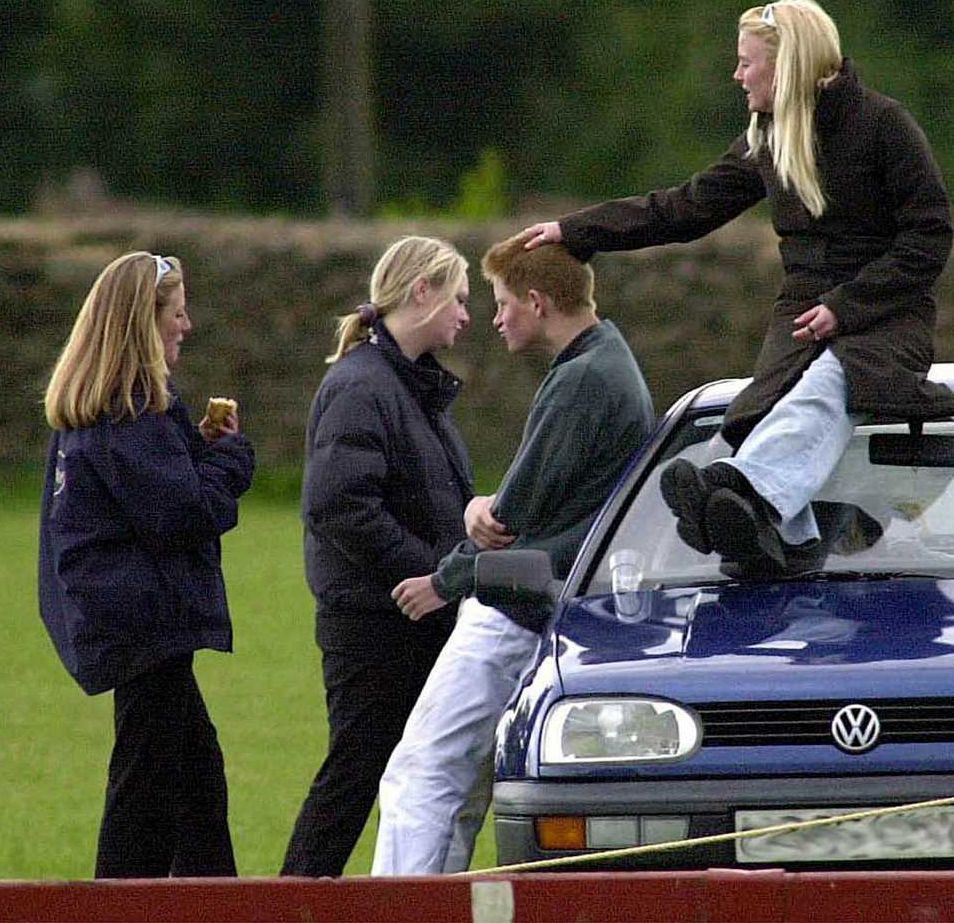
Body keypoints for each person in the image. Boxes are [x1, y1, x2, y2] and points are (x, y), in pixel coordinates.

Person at [522, 0, 954, 571]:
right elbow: (684, 207)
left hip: (886, 318)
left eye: (747, 62)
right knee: (753, 417)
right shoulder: (766, 137)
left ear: (786, 66)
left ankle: (745, 494)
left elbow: (929, 238)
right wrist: (578, 232)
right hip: (802, 319)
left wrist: (846, 308)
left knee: (829, 385)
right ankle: (788, 534)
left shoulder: (884, 126)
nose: (737, 75)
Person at [371, 233, 655, 875]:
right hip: (547, 603)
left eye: (501, 303)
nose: (494, 318)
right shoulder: (607, 361)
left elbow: (509, 517)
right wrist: (482, 512)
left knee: (422, 777)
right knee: (463, 787)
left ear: (536, 301)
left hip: (510, 612)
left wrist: (445, 578)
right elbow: (549, 495)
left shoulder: (582, 380)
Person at [38, 250, 255, 878]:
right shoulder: (130, 409)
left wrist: (197, 449)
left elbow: (159, 490)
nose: (186, 327)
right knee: (150, 794)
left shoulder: (107, 408)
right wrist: (233, 458)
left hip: (128, 622)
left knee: (190, 784)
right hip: (145, 628)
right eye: (177, 314)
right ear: (143, 321)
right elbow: (182, 514)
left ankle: (211, 906)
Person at [281, 235, 474, 877]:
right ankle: (295, 899)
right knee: (356, 773)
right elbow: (338, 506)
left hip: (407, 618)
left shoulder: (401, 385)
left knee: (387, 770)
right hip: (376, 624)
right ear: (422, 293)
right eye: (458, 298)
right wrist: (429, 572)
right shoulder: (362, 386)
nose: (465, 316)